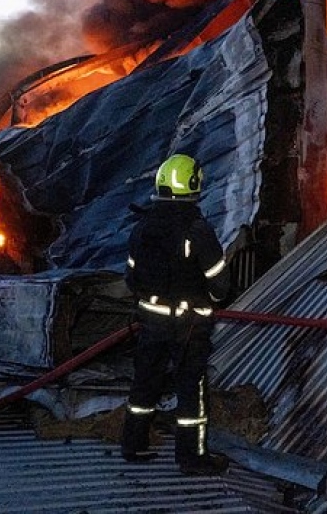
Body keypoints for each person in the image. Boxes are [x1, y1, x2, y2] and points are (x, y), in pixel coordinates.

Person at [121, 153, 231, 477]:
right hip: (189, 326)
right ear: (193, 185)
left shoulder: (142, 228)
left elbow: (131, 278)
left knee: (144, 383)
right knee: (190, 390)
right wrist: (206, 301)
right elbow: (220, 285)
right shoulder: (198, 230)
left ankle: (133, 444)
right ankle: (192, 457)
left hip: (151, 321)